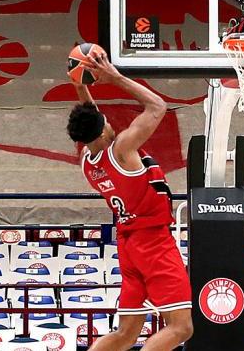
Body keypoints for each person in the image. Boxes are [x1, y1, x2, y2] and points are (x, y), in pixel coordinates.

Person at [67, 51, 193, 351]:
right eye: (106, 121)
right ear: (103, 130)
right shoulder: (121, 148)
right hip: (154, 242)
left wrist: (79, 80)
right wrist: (115, 78)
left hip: (128, 244)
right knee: (181, 327)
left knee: (126, 333)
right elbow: (158, 106)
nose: (110, 122)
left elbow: (90, 114)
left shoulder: (87, 158)